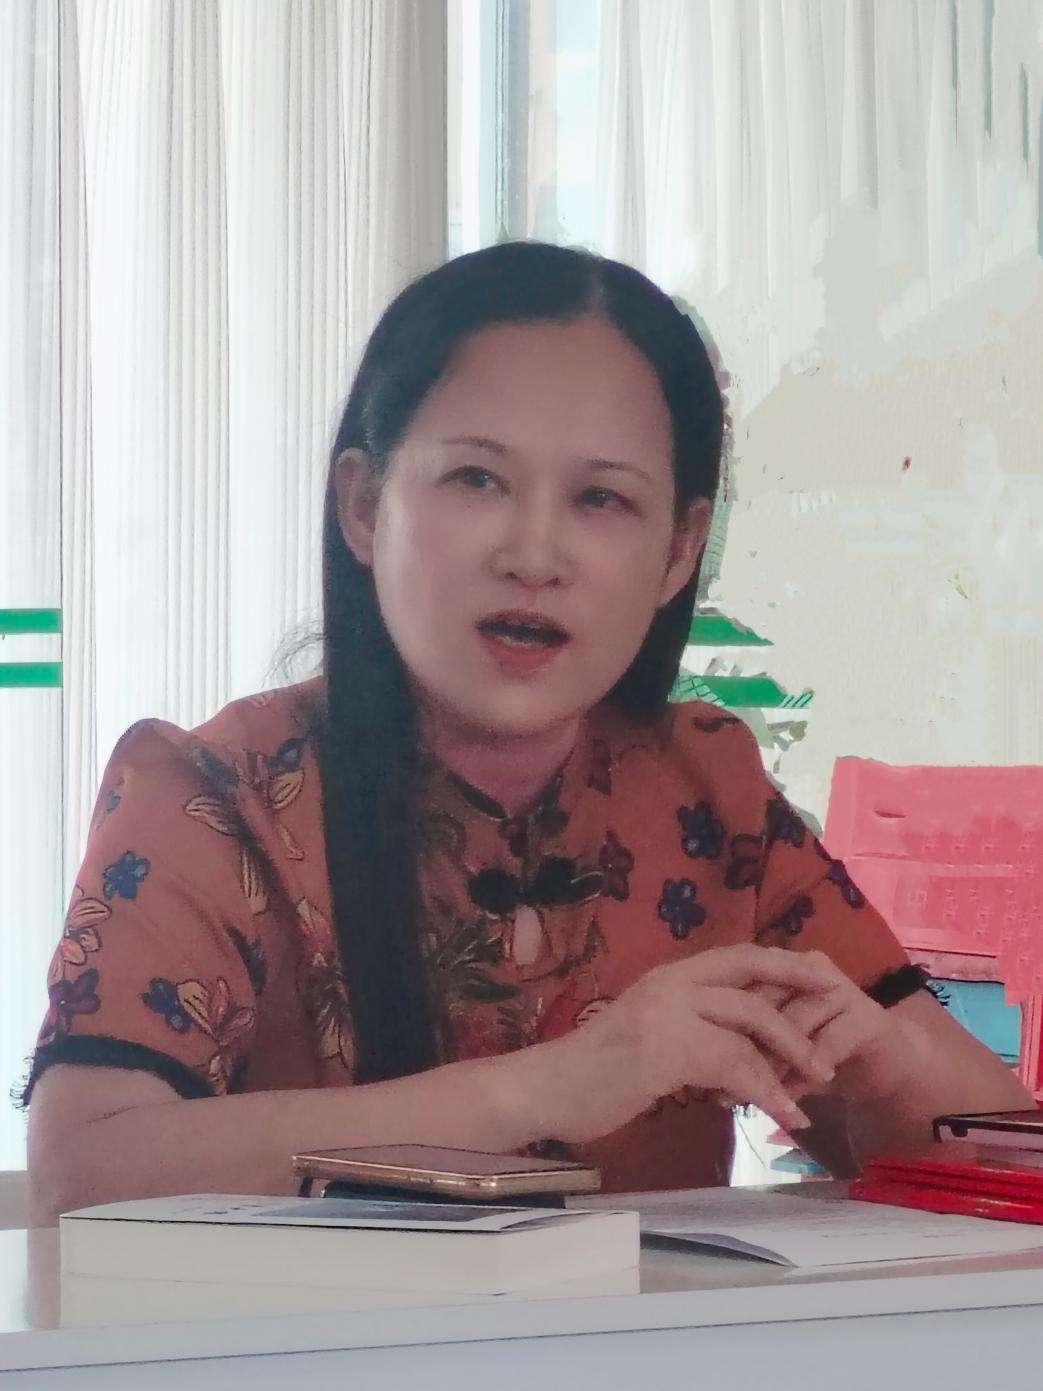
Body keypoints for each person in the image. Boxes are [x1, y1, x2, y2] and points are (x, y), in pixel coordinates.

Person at [24, 242, 1031, 1226]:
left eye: (600, 498)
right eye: (476, 479)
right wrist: (549, 1085)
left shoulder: (709, 793)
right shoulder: (212, 792)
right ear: (364, 506)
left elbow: (1006, 1164)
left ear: (677, 552)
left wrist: (889, 1068)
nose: (534, 553)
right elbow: (85, 1167)